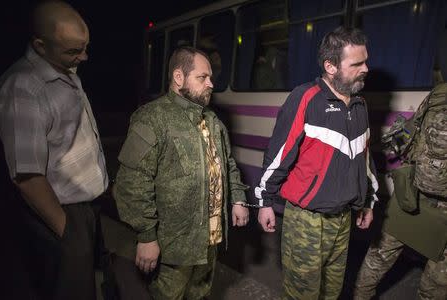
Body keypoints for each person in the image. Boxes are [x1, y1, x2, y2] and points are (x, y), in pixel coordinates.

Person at [113, 46, 249, 299]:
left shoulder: (212, 120)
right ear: (179, 77)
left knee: (199, 294)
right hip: (173, 246)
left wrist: (239, 198)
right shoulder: (152, 118)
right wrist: (146, 237)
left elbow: (226, 163)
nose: (211, 84)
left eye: (210, 77)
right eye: (202, 77)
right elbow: (132, 182)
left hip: (209, 239)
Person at [254, 27, 379, 299]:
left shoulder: (360, 104)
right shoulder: (305, 98)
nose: (366, 68)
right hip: (306, 221)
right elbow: (278, 155)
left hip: (343, 218)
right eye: (357, 63)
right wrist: (265, 202)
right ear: (330, 66)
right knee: (303, 295)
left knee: (331, 293)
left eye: (366, 61)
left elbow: (365, 159)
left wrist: (367, 201)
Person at [0, 1, 108, 299]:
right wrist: (67, 233)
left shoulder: (64, 67)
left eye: (85, 47)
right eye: (74, 50)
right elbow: (27, 177)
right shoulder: (24, 88)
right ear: (40, 45)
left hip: (84, 214)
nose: (83, 57)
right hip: (57, 216)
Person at [353, 83, 447, 300]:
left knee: (379, 256)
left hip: (411, 192)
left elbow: (407, 137)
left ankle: (360, 296)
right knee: (436, 281)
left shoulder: (439, 93)